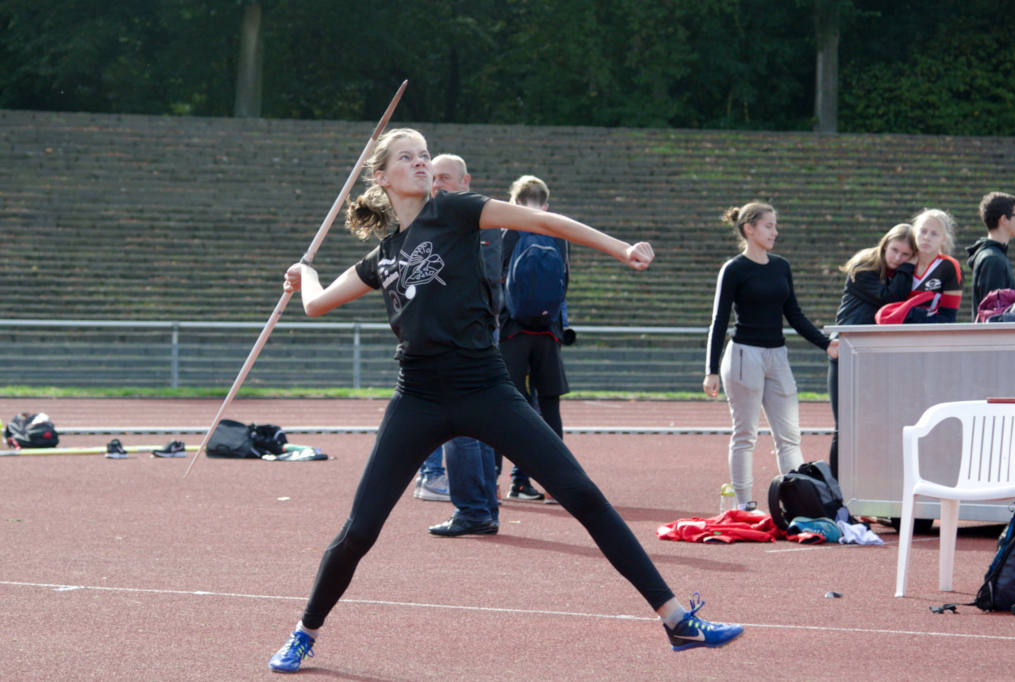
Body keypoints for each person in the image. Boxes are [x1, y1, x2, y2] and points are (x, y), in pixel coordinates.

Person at [268, 128, 742, 672]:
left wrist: (620, 248)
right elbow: (316, 305)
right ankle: (306, 631)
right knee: (360, 530)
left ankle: (678, 620)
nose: (421, 163)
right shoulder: (384, 256)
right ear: (382, 176)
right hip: (417, 397)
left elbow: (541, 221)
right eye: (408, 157)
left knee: (580, 494)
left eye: (425, 155)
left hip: (485, 386)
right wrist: (305, 274)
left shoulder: (457, 212)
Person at [703, 202, 838, 512]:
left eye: (776, 226)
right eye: (769, 226)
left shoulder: (781, 266)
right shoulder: (734, 269)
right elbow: (719, 321)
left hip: (777, 357)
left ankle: (797, 503)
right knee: (745, 433)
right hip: (743, 356)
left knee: (790, 434)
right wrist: (710, 369)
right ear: (749, 229)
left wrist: (825, 343)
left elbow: (794, 314)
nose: (775, 232)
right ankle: (744, 504)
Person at [425, 153, 501, 537]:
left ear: (465, 181)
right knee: (478, 427)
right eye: (433, 179)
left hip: (465, 337)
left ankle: (474, 509)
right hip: (468, 333)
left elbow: (482, 281)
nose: (437, 185)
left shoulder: (473, 221)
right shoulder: (449, 221)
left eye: (446, 179)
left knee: (461, 427)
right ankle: (483, 508)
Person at [498, 175, 571, 501]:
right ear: (545, 204)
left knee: (503, 406)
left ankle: (496, 483)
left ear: (513, 203)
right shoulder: (559, 234)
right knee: (550, 407)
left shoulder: (508, 232)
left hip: (511, 330)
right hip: (547, 331)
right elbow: (564, 282)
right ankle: (552, 481)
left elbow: (495, 279)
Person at [826, 223, 917, 473]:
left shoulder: (895, 273)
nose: (898, 258)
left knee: (877, 426)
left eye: (905, 255)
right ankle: (837, 494)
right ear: (885, 244)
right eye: (894, 251)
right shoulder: (864, 267)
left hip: (875, 355)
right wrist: (909, 266)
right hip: (849, 352)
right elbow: (892, 300)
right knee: (845, 427)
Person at [966, 192, 1015, 320]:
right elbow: (994, 315)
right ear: (1003, 219)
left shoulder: (992, 256)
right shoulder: (993, 259)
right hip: (994, 338)